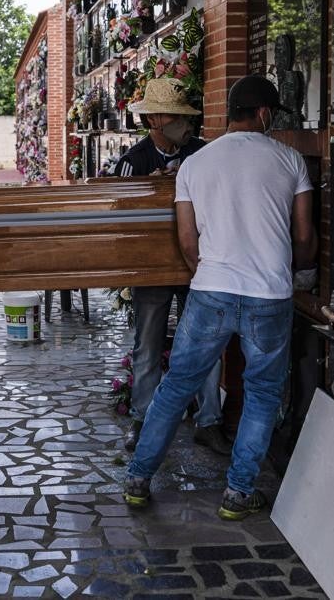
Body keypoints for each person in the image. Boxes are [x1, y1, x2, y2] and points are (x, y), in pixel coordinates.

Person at [125, 75, 317, 521]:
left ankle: (137, 479)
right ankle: (238, 492)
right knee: (263, 391)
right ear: (265, 114)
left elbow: (188, 240)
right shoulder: (290, 161)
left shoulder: (194, 165)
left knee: (176, 386)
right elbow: (305, 238)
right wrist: (293, 274)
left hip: (211, 289)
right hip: (270, 293)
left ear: (230, 113)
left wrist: (207, 274)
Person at [114, 78, 232, 456]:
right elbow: (121, 219)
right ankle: (142, 417)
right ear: (155, 119)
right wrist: (148, 191)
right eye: (176, 117)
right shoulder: (134, 162)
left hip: (199, 263)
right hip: (152, 268)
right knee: (147, 345)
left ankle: (208, 419)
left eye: (186, 117)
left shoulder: (205, 154)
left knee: (205, 344)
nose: (185, 124)